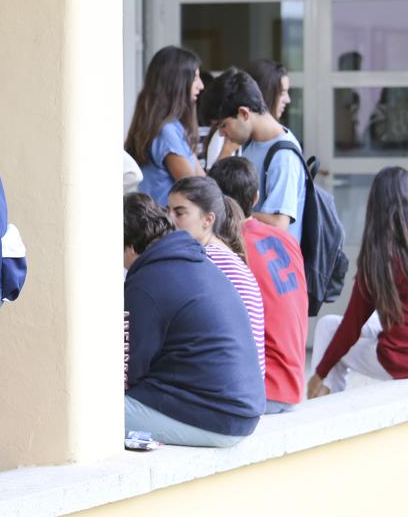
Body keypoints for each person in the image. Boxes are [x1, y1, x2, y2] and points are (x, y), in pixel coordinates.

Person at [123, 193, 264, 447]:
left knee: (90, 415)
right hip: (240, 413)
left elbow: (130, 371)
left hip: (217, 417)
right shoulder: (197, 262)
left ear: (131, 246)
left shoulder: (146, 282)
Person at [209, 157, 309, 413]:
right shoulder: (285, 240)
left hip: (261, 391)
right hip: (294, 384)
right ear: (255, 198)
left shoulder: (227, 249)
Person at [309, 166, 408, 397]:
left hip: (397, 362)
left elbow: (350, 329)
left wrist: (319, 373)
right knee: (328, 326)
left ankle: (323, 400)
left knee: (332, 333)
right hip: (397, 345)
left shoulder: (379, 262)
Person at [167, 177, 266, 377]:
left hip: (227, 386)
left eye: (179, 213)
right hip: (244, 385)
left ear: (208, 220)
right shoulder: (223, 254)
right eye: (167, 211)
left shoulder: (204, 260)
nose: (170, 220)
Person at [209, 69, 307, 244]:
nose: (222, 134)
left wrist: (234, 213)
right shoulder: (250, 142)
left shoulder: (283, 156)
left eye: (223, 125)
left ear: (244, 113)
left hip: (272, 264)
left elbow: (278, 223)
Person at [125, 46, 204, 206]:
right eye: (195, 78)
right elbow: (196, 189)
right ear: (177, 82)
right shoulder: (166, 132)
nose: (201, 85)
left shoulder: (171, 127)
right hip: (168, 225)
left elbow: (202, 181)